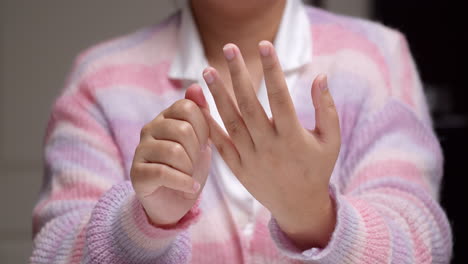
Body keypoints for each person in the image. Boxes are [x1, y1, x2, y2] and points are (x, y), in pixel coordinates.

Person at [30, 0, 453, 263]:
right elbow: (53, 252)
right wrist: (143, 223)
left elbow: (424, 246)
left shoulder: (376, 56)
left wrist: (313, 216)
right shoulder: (100, 80)